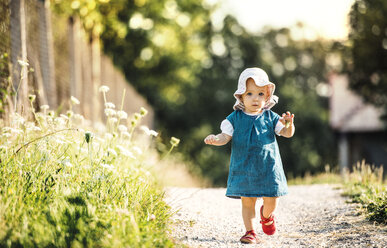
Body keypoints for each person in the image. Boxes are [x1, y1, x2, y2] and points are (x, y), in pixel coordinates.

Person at [204, 67, 295, 244]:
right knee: (247, 201)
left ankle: (266, 216)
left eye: (260, 94)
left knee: (272, 200)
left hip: (268, 167)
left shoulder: (271, 117)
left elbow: (286, 133)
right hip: (244, 167)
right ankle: (250, 231)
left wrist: (289, 125)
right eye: (250, 94)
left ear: (267, 96)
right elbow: (225, 137)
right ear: (241, 96)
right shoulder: (234, 118)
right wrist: (216, 139)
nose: (255, 98)